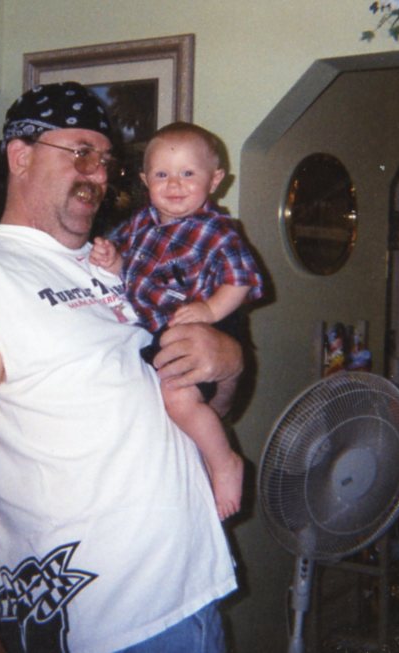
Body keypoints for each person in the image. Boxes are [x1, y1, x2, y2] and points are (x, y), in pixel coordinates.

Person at [0, 82, 243, 653]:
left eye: (106, 160)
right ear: (20, 156)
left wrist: (229, 365)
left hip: (195, 585)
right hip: (106, 622)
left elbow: (202, 406)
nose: (98, 174)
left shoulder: (117, 263)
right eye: (81, 153)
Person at [90, 122, 263, 520]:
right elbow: (129, 268)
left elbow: (241, 281)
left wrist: (209, 311)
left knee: (178, 397)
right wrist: (113, 261)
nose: (174, 185)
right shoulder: (141, 223)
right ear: (144, 181)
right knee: (159, 399)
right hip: (160, 329)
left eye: (188, 173)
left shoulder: (218, 231)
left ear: (215, 180)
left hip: (207, 324)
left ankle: (224, 462)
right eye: (162, 174)